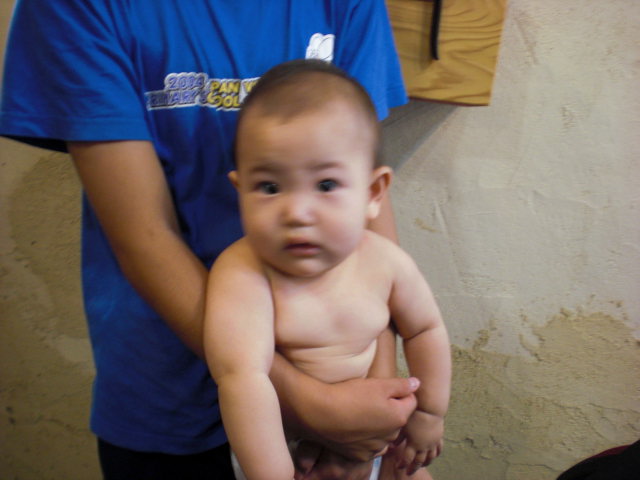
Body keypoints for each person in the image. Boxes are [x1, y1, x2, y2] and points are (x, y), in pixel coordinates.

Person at [0, 1, 422, 478]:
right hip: (167, 389)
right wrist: (313, 406)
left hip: (337, 376)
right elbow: (144, 235)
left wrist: (376, 406)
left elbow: (358, 192)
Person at [204, 59, 452, 480]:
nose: (297, 212)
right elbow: (242, 378)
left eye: (325, 185)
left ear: (373, 193)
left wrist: (428, 413)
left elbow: (425, 329)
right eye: (269, 187)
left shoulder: (386, 261)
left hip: (379, 437)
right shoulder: (244, 272)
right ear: (240, 190)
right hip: (282, 451)